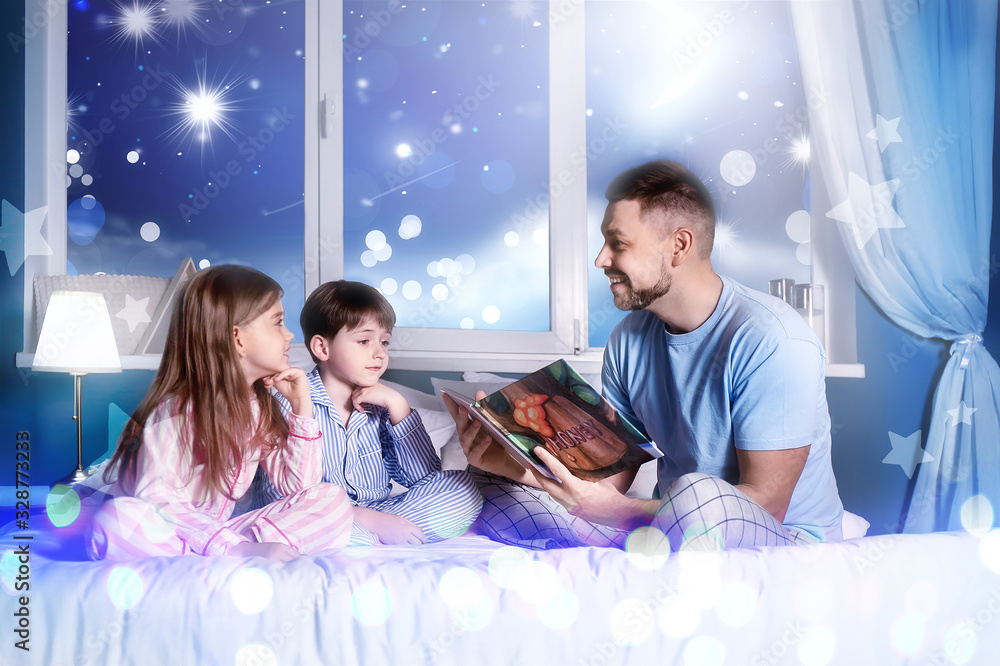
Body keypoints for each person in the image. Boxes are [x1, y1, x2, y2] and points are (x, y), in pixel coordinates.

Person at [445, 160, 843, 551]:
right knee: (488, 487)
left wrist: (618, 512)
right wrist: (518, 470)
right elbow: (606, 482)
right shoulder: (629, 339)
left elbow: (769, 506)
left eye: (618, 244)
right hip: (668, 527)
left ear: (679, 245)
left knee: (697, 493)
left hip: (779, 536)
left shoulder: (773, 339)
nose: (601, 259)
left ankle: (611, 536)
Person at [87, 266, 354, 562]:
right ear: (238, 338)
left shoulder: (261, 407)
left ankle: (223, 555)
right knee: (116, 519)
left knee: (333, 499)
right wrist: (233, 547)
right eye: (278, 322)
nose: (289, 334)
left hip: (220, 534)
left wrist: (302, 408)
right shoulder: (175, 413)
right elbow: (160, 502)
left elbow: (300, 488)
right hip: (173, 530)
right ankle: (232, 555)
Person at [248, 280, 483, 545]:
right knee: (309, 525)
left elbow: (426, 478)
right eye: (364, 341)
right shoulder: (288, 402)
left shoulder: (382, 407)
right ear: (322, 348)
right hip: (314, 519)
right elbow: (281, 499)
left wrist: (399, 407)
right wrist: (371, 522)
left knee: (462, 489)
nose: (379, 353)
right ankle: (368, 535)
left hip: (381, 511)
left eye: (384, 342)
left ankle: (368, 538)